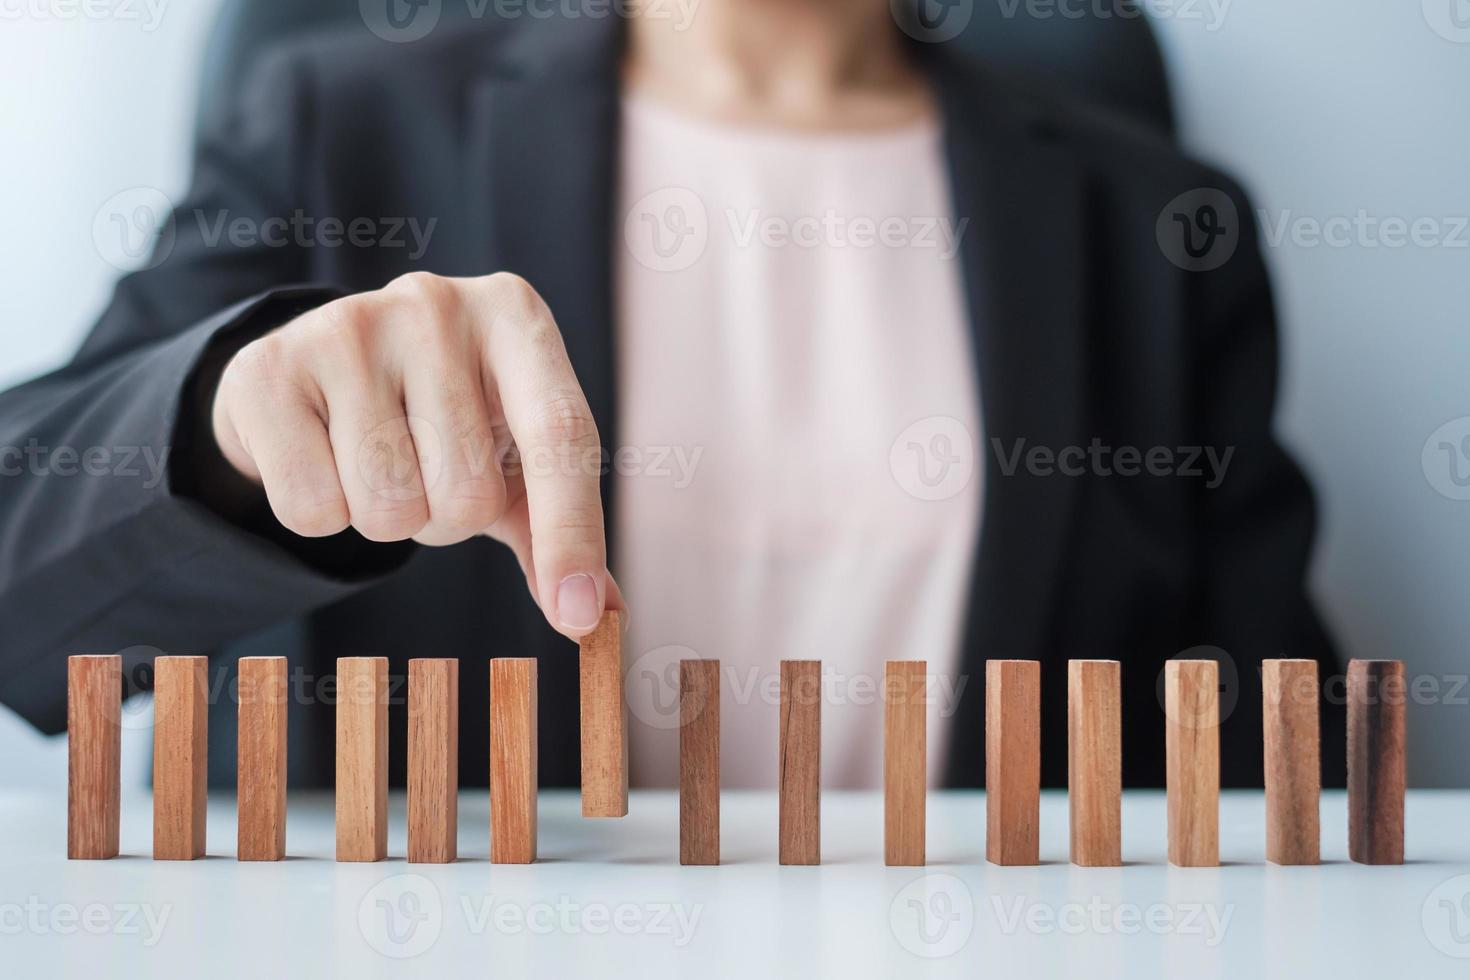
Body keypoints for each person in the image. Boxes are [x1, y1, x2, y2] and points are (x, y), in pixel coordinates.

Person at [0, 1, 1344, 790]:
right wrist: (229, 426)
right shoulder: (335, 121)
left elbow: (1275, 752)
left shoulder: (1157, 221)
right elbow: (18, 583)